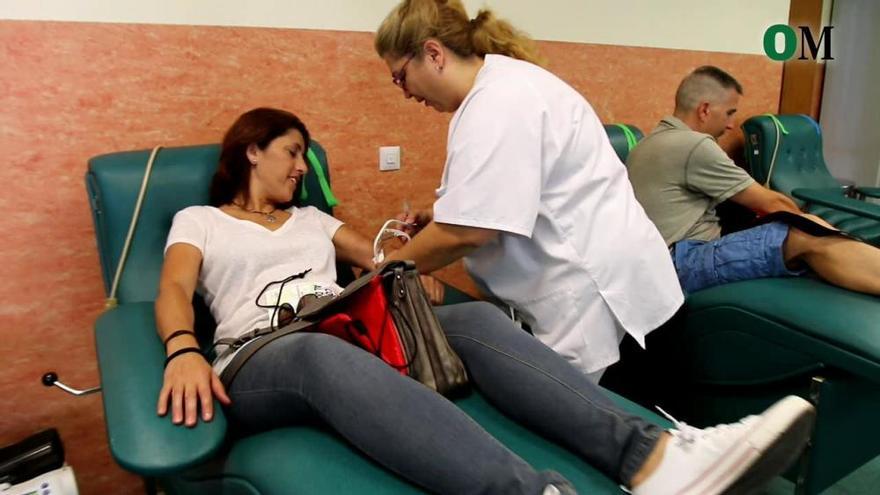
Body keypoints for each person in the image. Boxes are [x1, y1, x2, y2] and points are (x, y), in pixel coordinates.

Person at [154, 107, 815, 495]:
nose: (303, 167)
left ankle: (654, 457)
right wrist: (183, 351)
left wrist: (407, 271)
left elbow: (381, 263)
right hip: (266, 355)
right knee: (317, 355)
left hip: (353, 336)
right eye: (292, 152)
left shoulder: (314, 222)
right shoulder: (201, 220)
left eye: (305, 155)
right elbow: (176, 290)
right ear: (250, 150)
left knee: (469, 317)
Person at [374, 0, 683, 380]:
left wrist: (389, 271)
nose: (404, 92)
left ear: (433, 53)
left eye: (400, 76)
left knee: (569, 416)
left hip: (583, 289)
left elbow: (469, 231)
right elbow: (508, 193)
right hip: (596, 275)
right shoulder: (503, 86)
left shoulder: (497, 102)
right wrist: (440, 213)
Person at [627, 65, 880, 296]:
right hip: (678, 265)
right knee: (805, 233)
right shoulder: (694, 145)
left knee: (807, 234)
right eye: (729, 113)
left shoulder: (647, 143)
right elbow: (773, 203)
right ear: (704, 109)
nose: (730, 125)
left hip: (656, 262)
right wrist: (822, 229)